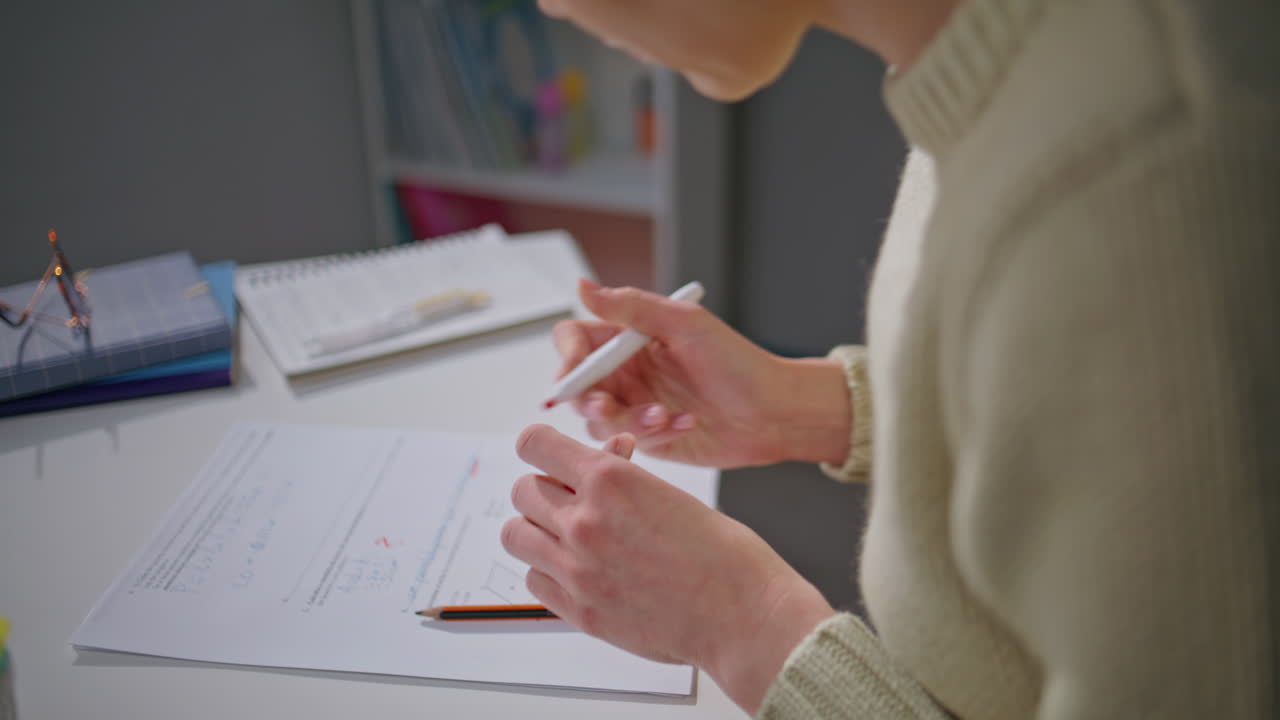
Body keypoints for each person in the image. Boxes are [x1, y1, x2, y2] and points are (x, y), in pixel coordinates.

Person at [499, 0, 1280, 717]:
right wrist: (797, 404)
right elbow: (1081, 407)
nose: (553, 6)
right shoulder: (1019, 62)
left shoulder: (1139, 176)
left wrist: (742, 621)